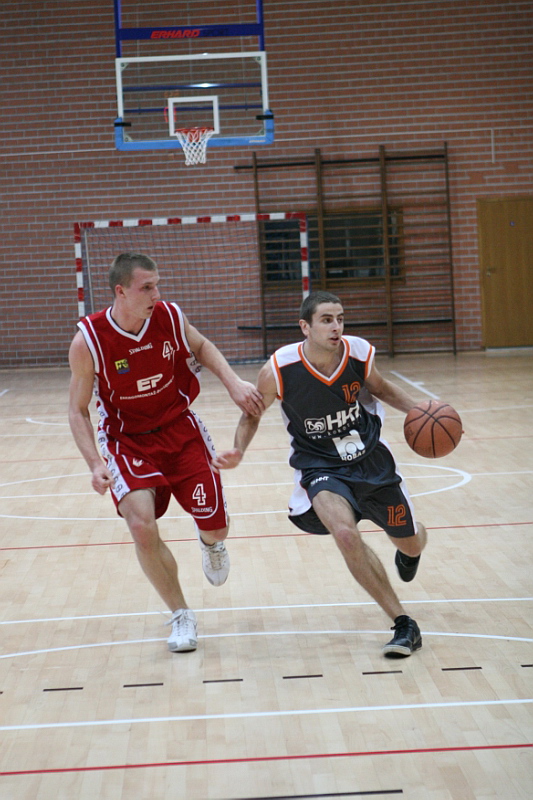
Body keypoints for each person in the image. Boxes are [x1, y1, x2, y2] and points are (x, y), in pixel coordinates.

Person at [213, 290, 427, 657]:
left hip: (371, 459)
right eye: (327, 320)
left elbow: (381, 389)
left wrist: (423, 410)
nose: (336, 327)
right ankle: (403, 623)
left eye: (340, 319)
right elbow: (252, 415)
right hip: (320, 465)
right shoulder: (279, 369)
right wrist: (238, 450)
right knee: (345, 534)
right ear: (305, 327)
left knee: (410, 540)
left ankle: (411, 551)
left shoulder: (358, 353)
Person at [68, 253, 264, 654]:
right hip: (127, 441)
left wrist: (233, 383)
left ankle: (211, 543)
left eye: (157, 285)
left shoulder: (170, 317)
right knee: (141, 526)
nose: (156, 294)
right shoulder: (88, 341)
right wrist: (94, 463)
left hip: (180, 430)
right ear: (121, 291)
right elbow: (77, 409)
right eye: (147, 287)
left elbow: (201, 346)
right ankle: (180, 613)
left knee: (216, 528)